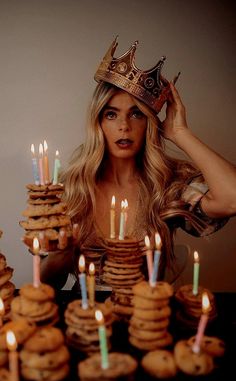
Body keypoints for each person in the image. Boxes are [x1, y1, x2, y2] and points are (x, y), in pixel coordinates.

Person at [41, 37, 236, 290]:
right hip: (86, 318)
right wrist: (62, 254)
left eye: (136, 114)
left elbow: (232, 199)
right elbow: (48, 282)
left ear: (149, 122)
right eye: (111, 114)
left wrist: (179, 132)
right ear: (98, 123)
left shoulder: (167, 182)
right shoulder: (71, 188)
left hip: (146, 317)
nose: (124, 126)